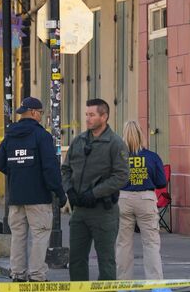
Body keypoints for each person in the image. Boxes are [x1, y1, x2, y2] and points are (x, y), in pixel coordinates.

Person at [0, 97, 66, 282]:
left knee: (18, 236)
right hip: (38, 197)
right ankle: (37, 276)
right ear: (34, 112)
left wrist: (17, 173)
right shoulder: (41, 136)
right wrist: (59, 192)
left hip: (16, 197)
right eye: (41, 113)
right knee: (40, 236)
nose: (41, 117)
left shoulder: (10, 135)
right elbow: (50, 168)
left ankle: (17, 274)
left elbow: (1, 162)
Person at [62, 98, 130, 281]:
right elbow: (65, 169)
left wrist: (95, 193)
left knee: (106, 261)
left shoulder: (115, 143)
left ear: (104, 116)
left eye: (92, 115)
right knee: (76, 259)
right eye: (86, 114)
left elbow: (122, 176)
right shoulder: (79, 141)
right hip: (80, 211)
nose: (88, 118)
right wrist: (69, 190)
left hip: (103, 211)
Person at [115, 121, 167, 280]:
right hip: (146, 199)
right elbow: (161, 182)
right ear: (141, 135)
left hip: (123, 199)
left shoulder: (118, 157)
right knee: (151, 243)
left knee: (123, 244)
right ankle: (156, 285)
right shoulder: (152, 157)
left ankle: (123, 285)